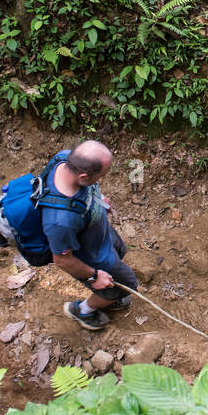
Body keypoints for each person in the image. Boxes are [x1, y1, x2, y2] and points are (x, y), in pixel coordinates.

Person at [45, 140, 140, 331]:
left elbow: (88, 189)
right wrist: (94, 276)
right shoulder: (60, 220)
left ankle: (110, 295)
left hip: (100, 236)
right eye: (100, 176)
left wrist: (98, 199)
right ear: (84, 176)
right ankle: (83, 310)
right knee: (126, 283)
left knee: (119, 253)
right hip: (93, 257)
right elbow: (62, 260)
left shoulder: (66, 159)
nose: (100, 181)